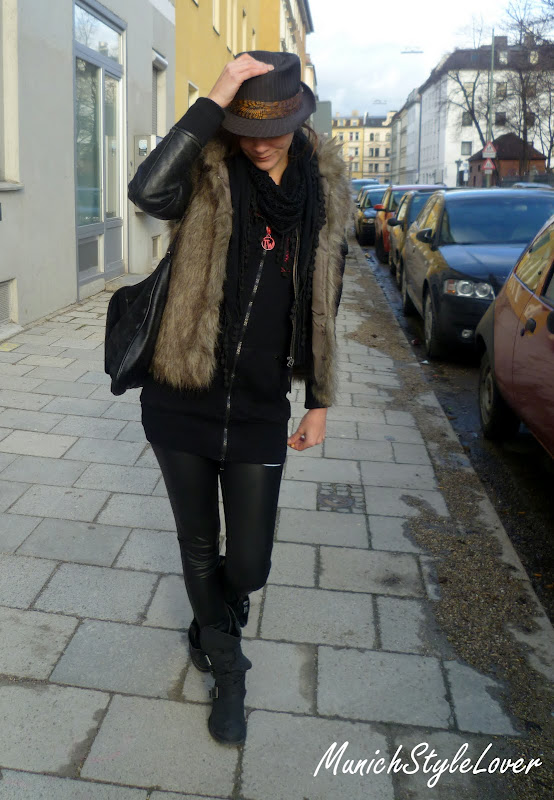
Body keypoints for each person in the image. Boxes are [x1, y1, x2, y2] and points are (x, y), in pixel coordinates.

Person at [128, 50, 350, 746]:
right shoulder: (207, 169)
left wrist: (319, 400)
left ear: (299, 118)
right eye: (246, 127)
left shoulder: (325, 192)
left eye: (273, 129)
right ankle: (229, 669)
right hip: (181, 392)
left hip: (259, 405)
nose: (258, 143)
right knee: (199, 546)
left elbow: (326, 302)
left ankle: (213, 619)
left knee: (249, 564)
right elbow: (146, 191)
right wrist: (217, 93)